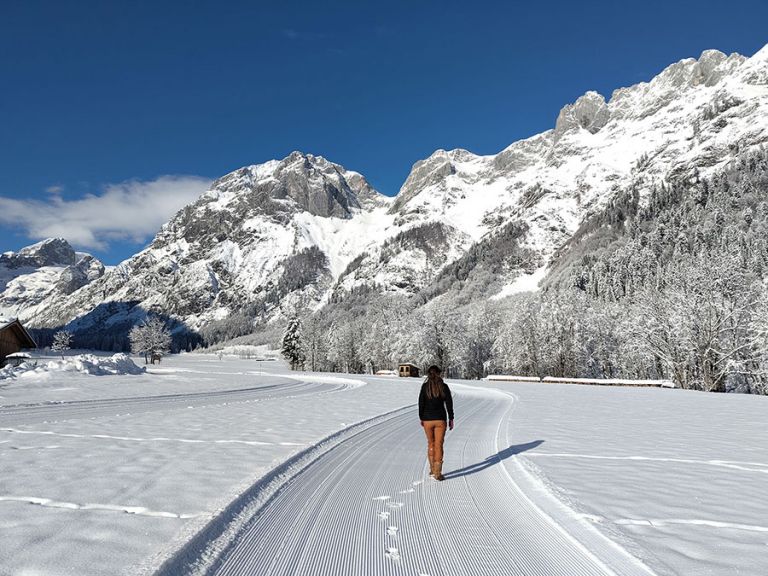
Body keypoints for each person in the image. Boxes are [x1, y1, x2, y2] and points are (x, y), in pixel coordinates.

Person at [419, 365, 454, 481]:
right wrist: (451, 418)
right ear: (439, 374)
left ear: (429, 374)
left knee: (431, 443)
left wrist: (422, 418)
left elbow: (421, 403)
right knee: (439, 445)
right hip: (440, 420)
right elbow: (449, 403)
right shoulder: (443, 387)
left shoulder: (425, 387)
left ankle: (432, 469)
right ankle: (437, 473)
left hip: (427, 420)